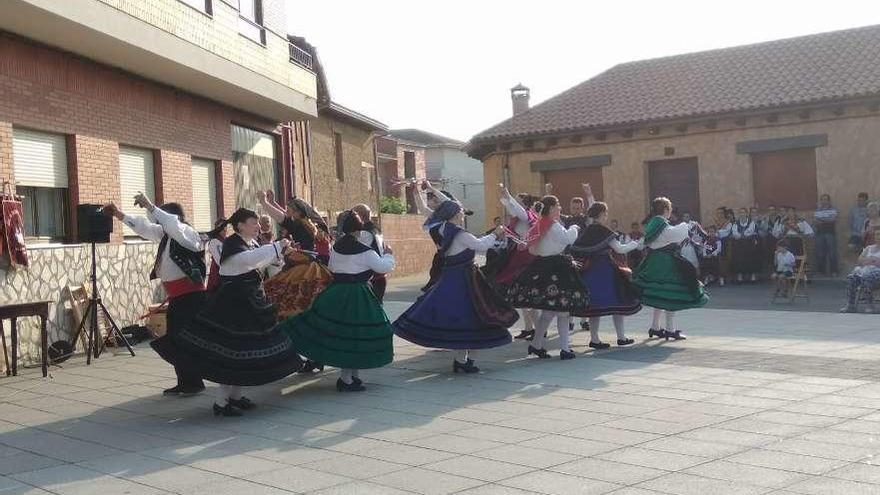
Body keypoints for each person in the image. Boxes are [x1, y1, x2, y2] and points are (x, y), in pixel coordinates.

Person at [150, 207, 303, 416]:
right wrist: (277, 246)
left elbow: (262, 261)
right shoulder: (232, 244)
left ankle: (235, 397)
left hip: (250, 303)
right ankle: (221, 403)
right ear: (240, 225)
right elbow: (247, 261)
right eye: (254, 222)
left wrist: (282, 254)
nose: (258, 226)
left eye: (258, 223)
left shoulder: (250, 243)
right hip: (233, 306)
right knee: (232, 355)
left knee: (244, 355)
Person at [394, 200, 517, 372]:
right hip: (465, 280)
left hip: (451, 277)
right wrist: (496, 233)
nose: (463, 214)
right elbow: (480, 245)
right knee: (473, 316)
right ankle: (465, 361)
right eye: (460, 212)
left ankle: (461, 360)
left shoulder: (443, 228)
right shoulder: (459, 233)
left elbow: (473, 242)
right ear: (454, 214)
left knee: (461, 318)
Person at [279, 210, 396, 391]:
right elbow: (383, 266)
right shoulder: (366, 252)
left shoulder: (337, 248)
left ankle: (352, 376)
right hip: (358, 294)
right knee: (354, 335)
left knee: (341, 332)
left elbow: (332, 268)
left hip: (337, 292)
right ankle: (346, 379)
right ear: (358, 232)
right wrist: (389, 254)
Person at [104, 195, 206, 396]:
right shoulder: (167, 235)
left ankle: (193, 382)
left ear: (172, 217)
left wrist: (150, 205)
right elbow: (144, 228)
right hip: (179, 298)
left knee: (184, 340)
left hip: (191, 298)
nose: (158, 222)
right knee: (177, 340)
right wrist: (118, 214)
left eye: (161, 217)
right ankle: (186, 381)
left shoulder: (187, 233)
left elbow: (172, 224)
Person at [506, 195, 588, 360]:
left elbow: (531, 250)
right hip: (557, 269)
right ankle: (564, 349)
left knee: (549, 311)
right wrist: (575, 228)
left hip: (543, 267)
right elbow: (567, 238)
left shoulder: (539, 224)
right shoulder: (552, 224)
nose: (560, 208)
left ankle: (537, 345)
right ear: (550, 208)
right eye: (557, 205)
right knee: (562, 311)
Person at [632, 197, 709, 341]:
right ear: (666, 210)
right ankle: (670, 329)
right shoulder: (661, 224)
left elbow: (647, 242)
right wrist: (687, 225)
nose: (671, 211)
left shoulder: (652, 224)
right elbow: (673, 234)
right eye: (670, 208)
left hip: (654, 262)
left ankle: (655, 327)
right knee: (671, 293)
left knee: (659, 294)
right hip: (665, 262)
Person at [569, 202, 642, 349]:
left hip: (590, 272)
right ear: (602, 214)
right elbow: (620, 249)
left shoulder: (588, 231)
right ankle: (621, 337)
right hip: (606, 271)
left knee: (594, 307)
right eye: (606, 213)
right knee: (619, 303)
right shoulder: (603, 230)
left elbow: (576, 249)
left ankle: (594, 339)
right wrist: (637, 243)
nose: (606, 216)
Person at [259, 191, 331, 320]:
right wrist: (272, 202)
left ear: (296, 212)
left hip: (303, 264)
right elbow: (285, 217)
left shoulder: (298, 224)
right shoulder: (307, 222)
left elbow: (282, 218)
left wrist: (264, 202)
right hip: (311, 262)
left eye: (289, 209)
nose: (286, 211)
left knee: (282, 292)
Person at [493, 185, 541, 340]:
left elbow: (517, 210)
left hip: (527, 258)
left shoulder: (528, 215)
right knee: (522, 295)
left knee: (527, 295)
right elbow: (511, 207)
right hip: (519, 255)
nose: (516, 204)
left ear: (526, 205)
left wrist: (508, 195)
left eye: (519, 201)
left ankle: (539, 330)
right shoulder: (518, 216)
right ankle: (529, 328)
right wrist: (505, 197)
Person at [353, 203, 389, 302]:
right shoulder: (376, 229)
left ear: (359, 215)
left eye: (354, 215)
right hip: (379, 276)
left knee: (369, 309)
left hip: (370, 277)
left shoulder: (364, 233)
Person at [840, 238, 880, 313]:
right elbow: (859, 261)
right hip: (864, 271)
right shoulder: (869, 248)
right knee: (851, 277)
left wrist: (869, 260)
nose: (878, 237)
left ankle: (869, 305)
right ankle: (850, 305)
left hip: (877, 273)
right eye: (877, 235)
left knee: (867, 277)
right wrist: (872, 260)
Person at [813, 194, 839, 277]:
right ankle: (821, 271)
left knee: (832, 253)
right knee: (820, 253)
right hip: (819, 233)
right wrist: (827, 219)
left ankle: (834, 271)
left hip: (830, 233)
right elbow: (815, 221)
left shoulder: (833, 209)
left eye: (826, 199)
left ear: (829, 200)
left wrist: (821, 219)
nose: (824, 201)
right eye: (822, 199)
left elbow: (833, 219)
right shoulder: (818, 210)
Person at [730, 207, 759, 282]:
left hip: (749, 242)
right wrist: (740, 236)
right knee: (738, 257)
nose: (742, 214)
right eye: (741, 213)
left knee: (751, 256)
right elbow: (734, 232)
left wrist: (742, 235)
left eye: (743, 212)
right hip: (739, 243)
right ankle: (740, 275)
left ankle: (752, 275)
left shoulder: (751, 222)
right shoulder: (736, 223)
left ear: (746, 214)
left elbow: (750, 231)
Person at [205, 217, 228, 293]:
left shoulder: (227, 240)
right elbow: (220, 261)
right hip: (217, 276)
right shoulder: (214, 241)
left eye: (225, 226)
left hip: (226, 276)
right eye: (221, 227)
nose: (224, 230)